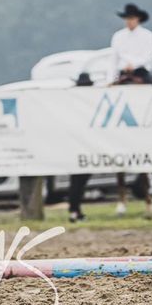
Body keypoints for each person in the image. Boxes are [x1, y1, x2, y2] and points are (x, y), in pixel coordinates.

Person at [67, 73, 94, 222]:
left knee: (77, 181)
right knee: (79, 181)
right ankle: (74, 209)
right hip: (83, 145)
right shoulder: (88, 103)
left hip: (78, 145)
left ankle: (74, 210)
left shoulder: (73, 101)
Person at [110, 3, 152, 84]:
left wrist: (133, 65)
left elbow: (147, 57)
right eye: (127, 18)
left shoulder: (147, 35)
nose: (128, 21)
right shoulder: (118, 36)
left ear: (138, 19)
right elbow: (114, 60)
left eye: (131, 18)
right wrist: (111, 79)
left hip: (141, 72)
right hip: (123, 72)